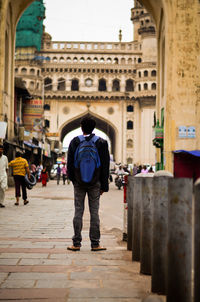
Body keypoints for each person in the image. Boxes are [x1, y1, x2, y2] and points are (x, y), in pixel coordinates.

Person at [67, 116, 110, 251]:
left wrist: (74, 180)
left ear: (81, 127)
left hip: (79, 182)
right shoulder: (101, 142)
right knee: (94, 212)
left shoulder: (74, 141)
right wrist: (104, 185)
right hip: (95, 182)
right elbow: (105, 165)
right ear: (94, 128)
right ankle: (95, 243)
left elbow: (69, 165)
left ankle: (76, 243)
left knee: (78, 211)